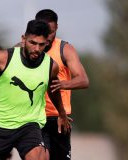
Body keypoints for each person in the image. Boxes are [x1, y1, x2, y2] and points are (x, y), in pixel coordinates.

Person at [0, 19, 71, 160]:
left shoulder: (51, 66)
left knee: (38, 157)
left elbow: (53, 88)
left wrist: (61, 113)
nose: (37, 49)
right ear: (23, 39)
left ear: (47, 43)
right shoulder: (4, 58)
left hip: (29, 125)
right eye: (32, 43)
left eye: (41, 44)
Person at [36, 9, 89, 160]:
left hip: (60, 118)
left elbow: (83, 80)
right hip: (34, 117)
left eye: (51, 32)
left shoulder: (64, 49)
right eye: (44, 31)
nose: (47, 36)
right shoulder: (27, 48)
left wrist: (62, 84)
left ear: (57, 28)